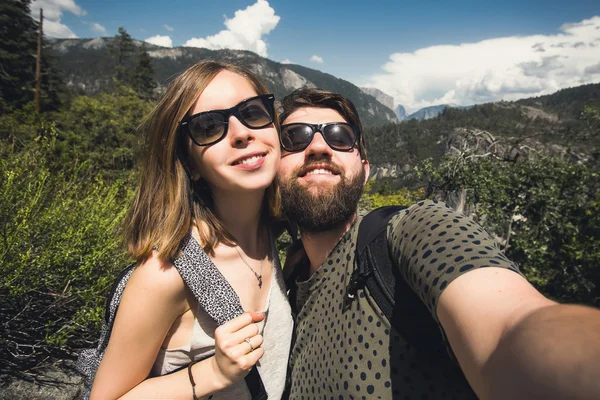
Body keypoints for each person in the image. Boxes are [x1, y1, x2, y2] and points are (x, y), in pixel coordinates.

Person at [277, 88, 600, 399]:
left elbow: (509, 327)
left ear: (364, 172)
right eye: (295, 137)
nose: (318, 146)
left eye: (340, 137)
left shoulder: (410, 231)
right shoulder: (285, 291)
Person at [88, 60, 293, 399]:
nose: (242, 132)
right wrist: (211, 373)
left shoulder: (271, 231)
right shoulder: (165, 275)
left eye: (254, 112)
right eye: (209, 126)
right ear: (190, 164)